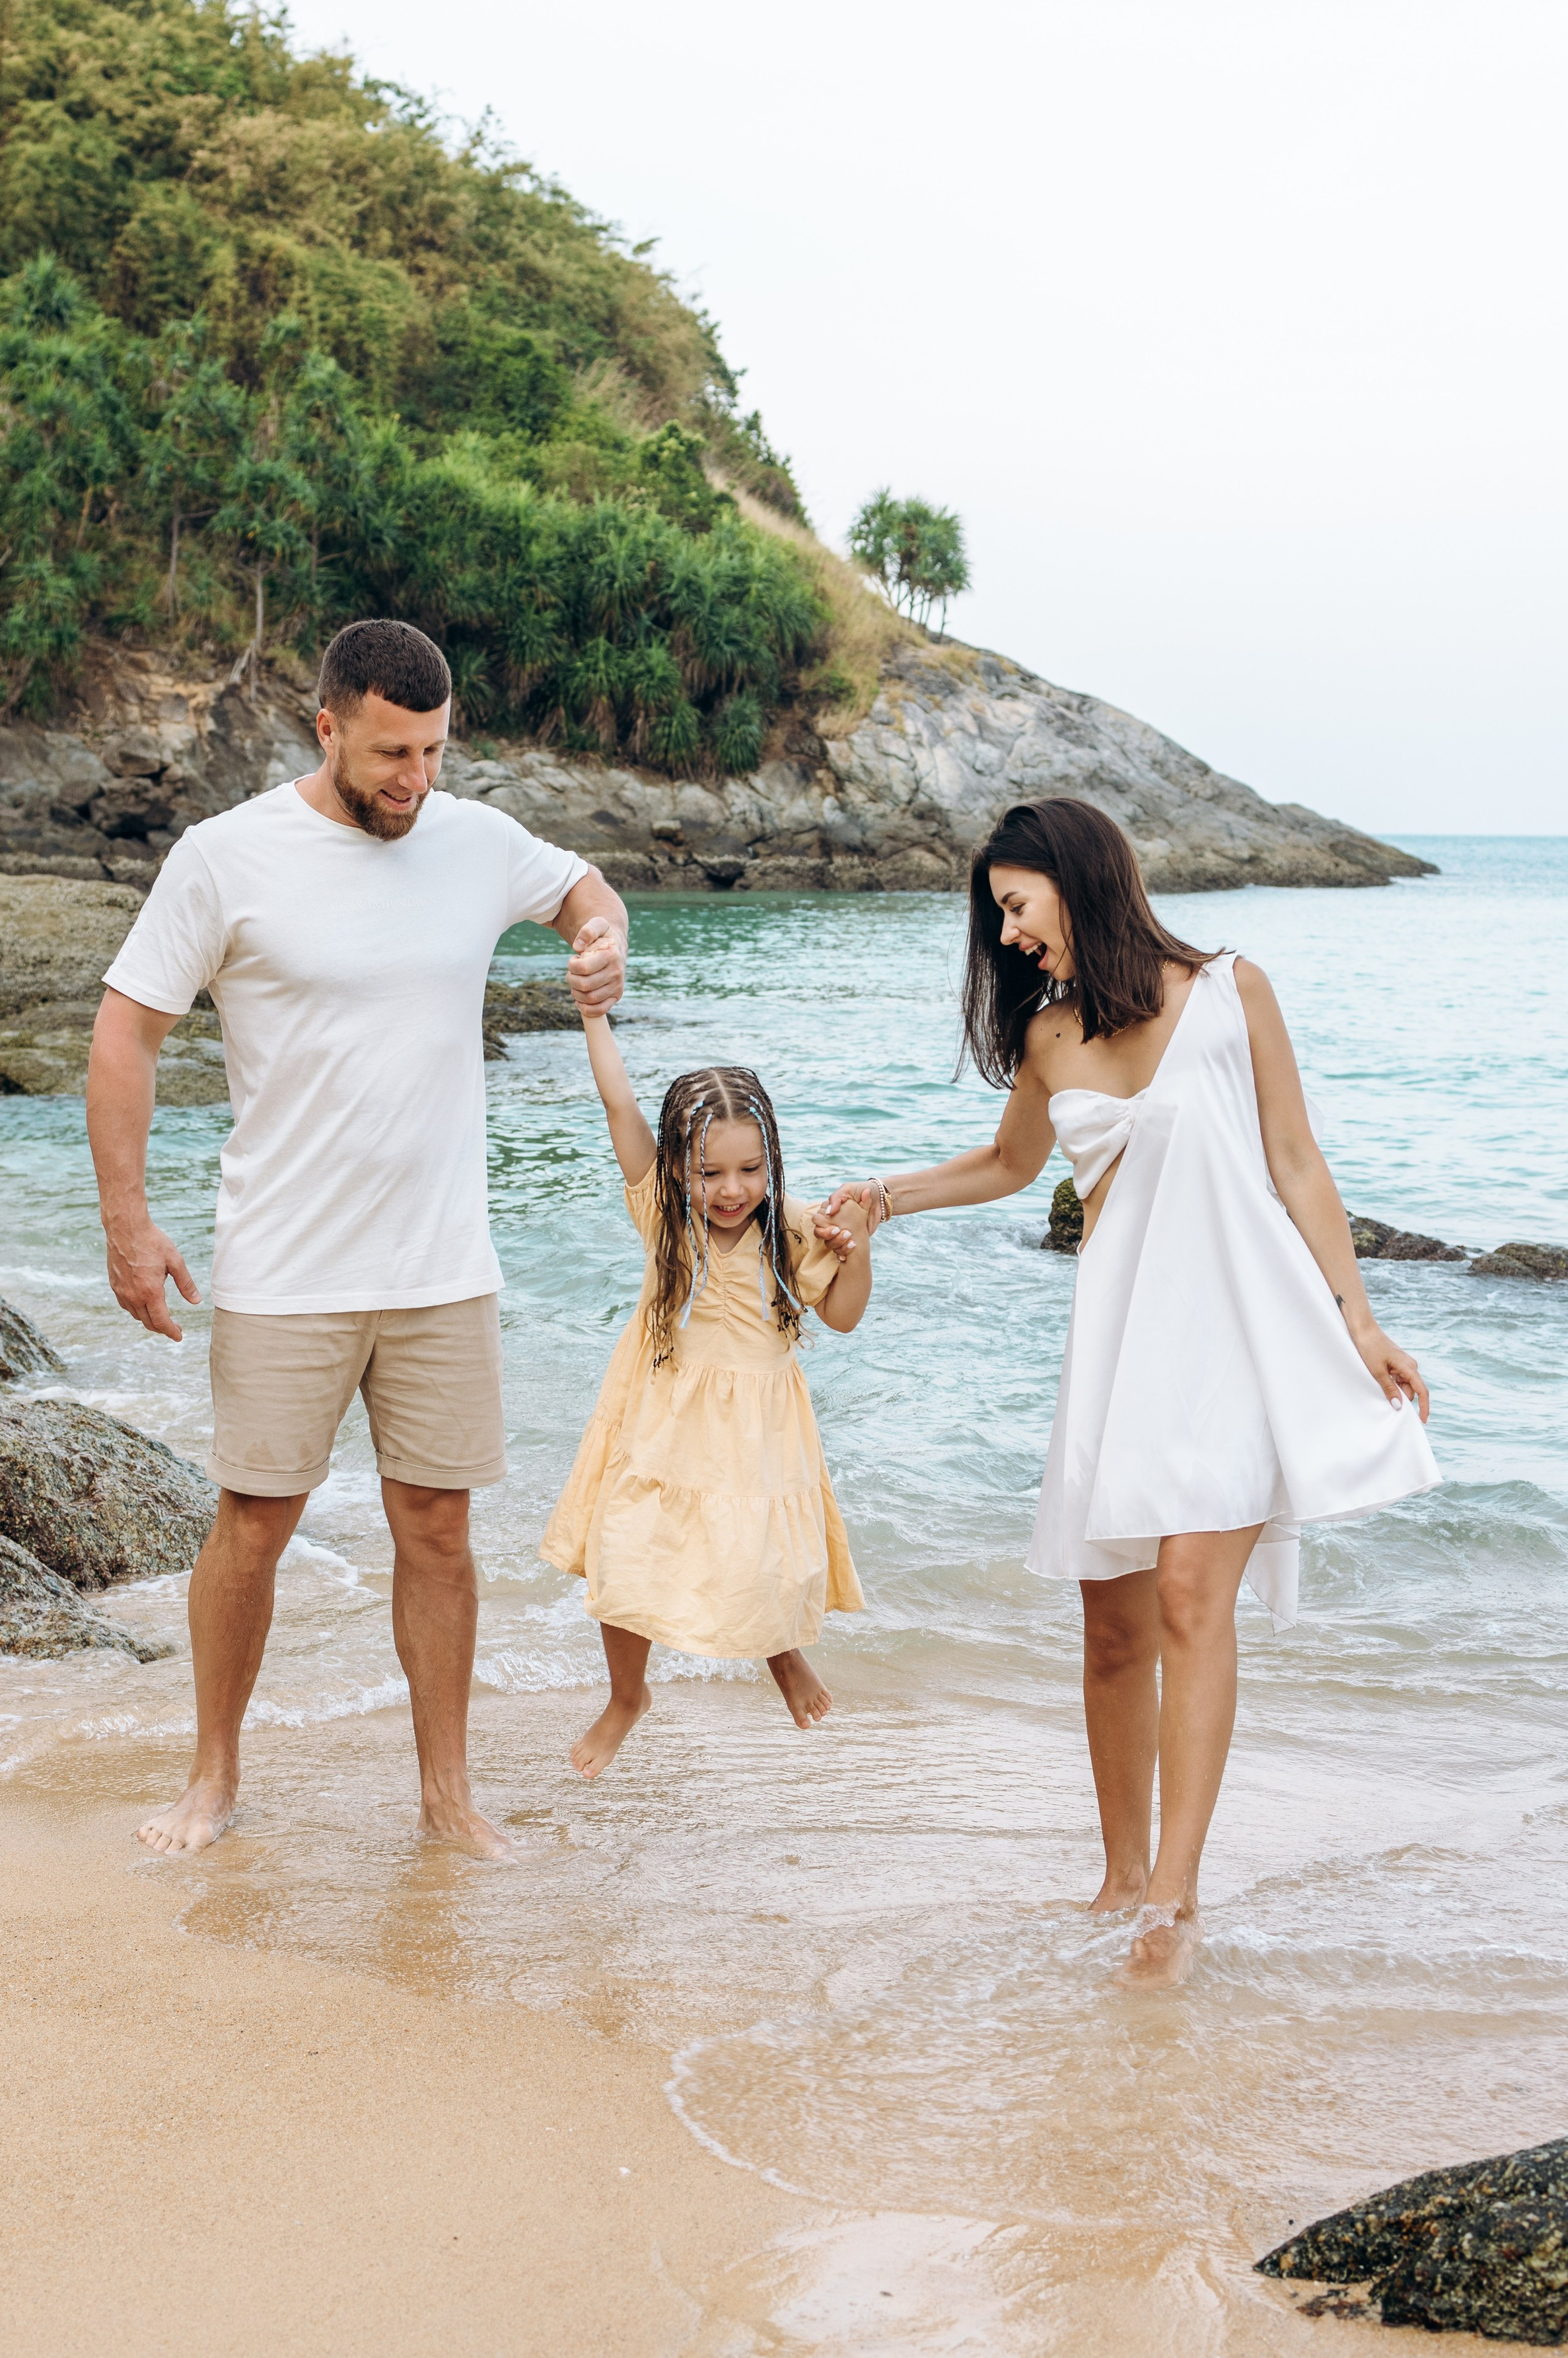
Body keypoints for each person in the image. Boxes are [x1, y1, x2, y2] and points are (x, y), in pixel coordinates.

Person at [822, 796, 1438, 1984]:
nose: (1006, 934)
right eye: (996, 913)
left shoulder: (1232, 990)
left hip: (1245, 1341)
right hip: (1124, 1349)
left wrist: (1361, 1320)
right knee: (1114, 1626)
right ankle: (1117, 1875)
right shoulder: (1051, 1035)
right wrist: (884, 1194)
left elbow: (1299, 1163)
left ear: (1077, 878)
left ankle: (1173, 1900)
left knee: (1196, 1597)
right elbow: (1010, 1163)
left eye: (1015, 904)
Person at [86, 617, 627, 1862]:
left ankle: (446, 1795)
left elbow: (583, 891)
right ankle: (212, 1774)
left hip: (444, 1266)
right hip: (286, 1263)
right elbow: (127, 1034)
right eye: (391, 753)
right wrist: (131, 1224)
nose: (415, 780)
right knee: (255, 1523)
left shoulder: (475, 841)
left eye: (433, 752)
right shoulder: (226, 858)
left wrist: (605, 940)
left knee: (438, 1529)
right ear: (325, 725)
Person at [539, 992, 874, 1781]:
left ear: (773, 1162)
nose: (731, 1189)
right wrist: (593, 1016)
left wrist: (858, 1248)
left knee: (757, 1554)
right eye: (710, 1171)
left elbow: (845, 1318)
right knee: (627, 1557)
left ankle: (782, 1656)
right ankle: (628, 1695)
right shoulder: (664, 1217)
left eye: (751, 1169)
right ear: (678, 1165)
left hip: (758, 1424)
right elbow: (618, 1102)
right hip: (660, 1413)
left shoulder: (792, 1226)